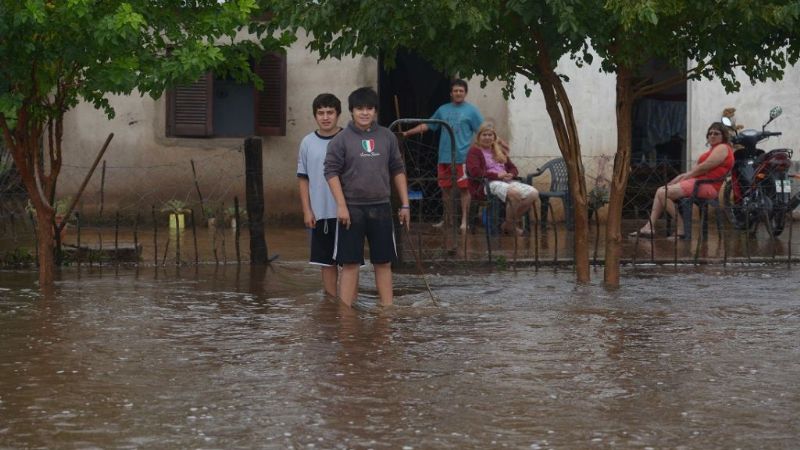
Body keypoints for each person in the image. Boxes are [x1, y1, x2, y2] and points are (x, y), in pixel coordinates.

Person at [324, 87, 410, 307]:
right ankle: (345, 316)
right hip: (352, 209)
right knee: (350, 263)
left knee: (383, 262)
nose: (364, 113)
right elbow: (331, 172)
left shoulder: (387, 137)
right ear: (351, 111)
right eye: (359, 109)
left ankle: (387, 311)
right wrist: (341, 206)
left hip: (381, 207)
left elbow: (397, 169)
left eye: (369, 108)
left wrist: (405, 204)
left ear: (375, 111)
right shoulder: (341, 140)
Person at [402, 79, 483, 232]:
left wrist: (494, 147)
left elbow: (483, 131)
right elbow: (428, 125)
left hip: (463, 157)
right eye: (455, 91)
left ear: (465, 93)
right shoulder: (443, 109)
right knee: (445, 189)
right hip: (444, 156)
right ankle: (448, 219)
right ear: (451, 93)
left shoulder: (472, 111)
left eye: (461, 91)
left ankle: (464, 221)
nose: (458, 93)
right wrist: (408, 132)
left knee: (464, 189)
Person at [632, 122, 734, 238]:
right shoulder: (714, 149)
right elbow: (699, 169)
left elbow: (705, 166)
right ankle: (649, 227)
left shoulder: (723, 147)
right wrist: (681, 177)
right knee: (661, 190)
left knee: (662, 192)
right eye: (710, 133)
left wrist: (686, 176)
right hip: (698, 183)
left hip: (707, 186)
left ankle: (681, 227)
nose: (712, 136)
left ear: (723, 136)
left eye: (716, 133)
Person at [297, 93, 344, 297]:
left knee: (350, 262)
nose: (326, 117)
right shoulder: (307, 142)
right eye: (321, 113)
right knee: (326, 263)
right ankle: (332, 303)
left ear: (338, 114)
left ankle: (348, 303)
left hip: (347, 211)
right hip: (321, 212)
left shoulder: (348, 138)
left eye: (330, 112)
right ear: (315, 116)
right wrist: (307, 210)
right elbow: (303, 178)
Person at [466, 122, 538, 236]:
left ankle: (508, 225)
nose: (487, 137)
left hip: (506, 181)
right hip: (486, 184)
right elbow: (475, 172)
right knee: (515, 194)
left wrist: (511, 174)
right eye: (484, 135)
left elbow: (513, 168)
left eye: (490, 135)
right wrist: (496, 176)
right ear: (479, 137)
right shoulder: (474, 152)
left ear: (494, 137)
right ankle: (511, 226)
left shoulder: (499, 151)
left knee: (533, 193)